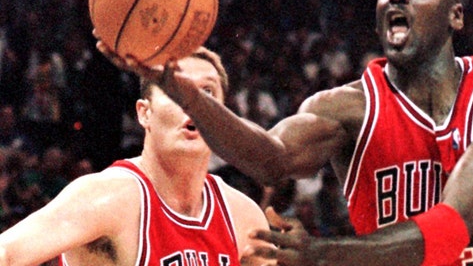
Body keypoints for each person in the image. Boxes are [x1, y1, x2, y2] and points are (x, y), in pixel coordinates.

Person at [99, 0, 473, 266]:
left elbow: (448, 229)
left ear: (456, 15)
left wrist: (320, 254)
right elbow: (271, 160)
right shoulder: (347, 109)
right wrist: (181, 91)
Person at [0, 47, 272, 266]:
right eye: (177, 90)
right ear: (145, 113)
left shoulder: (244, 218)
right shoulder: (107, 198)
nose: (194, 104)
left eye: (207, 92)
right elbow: (7, 253)